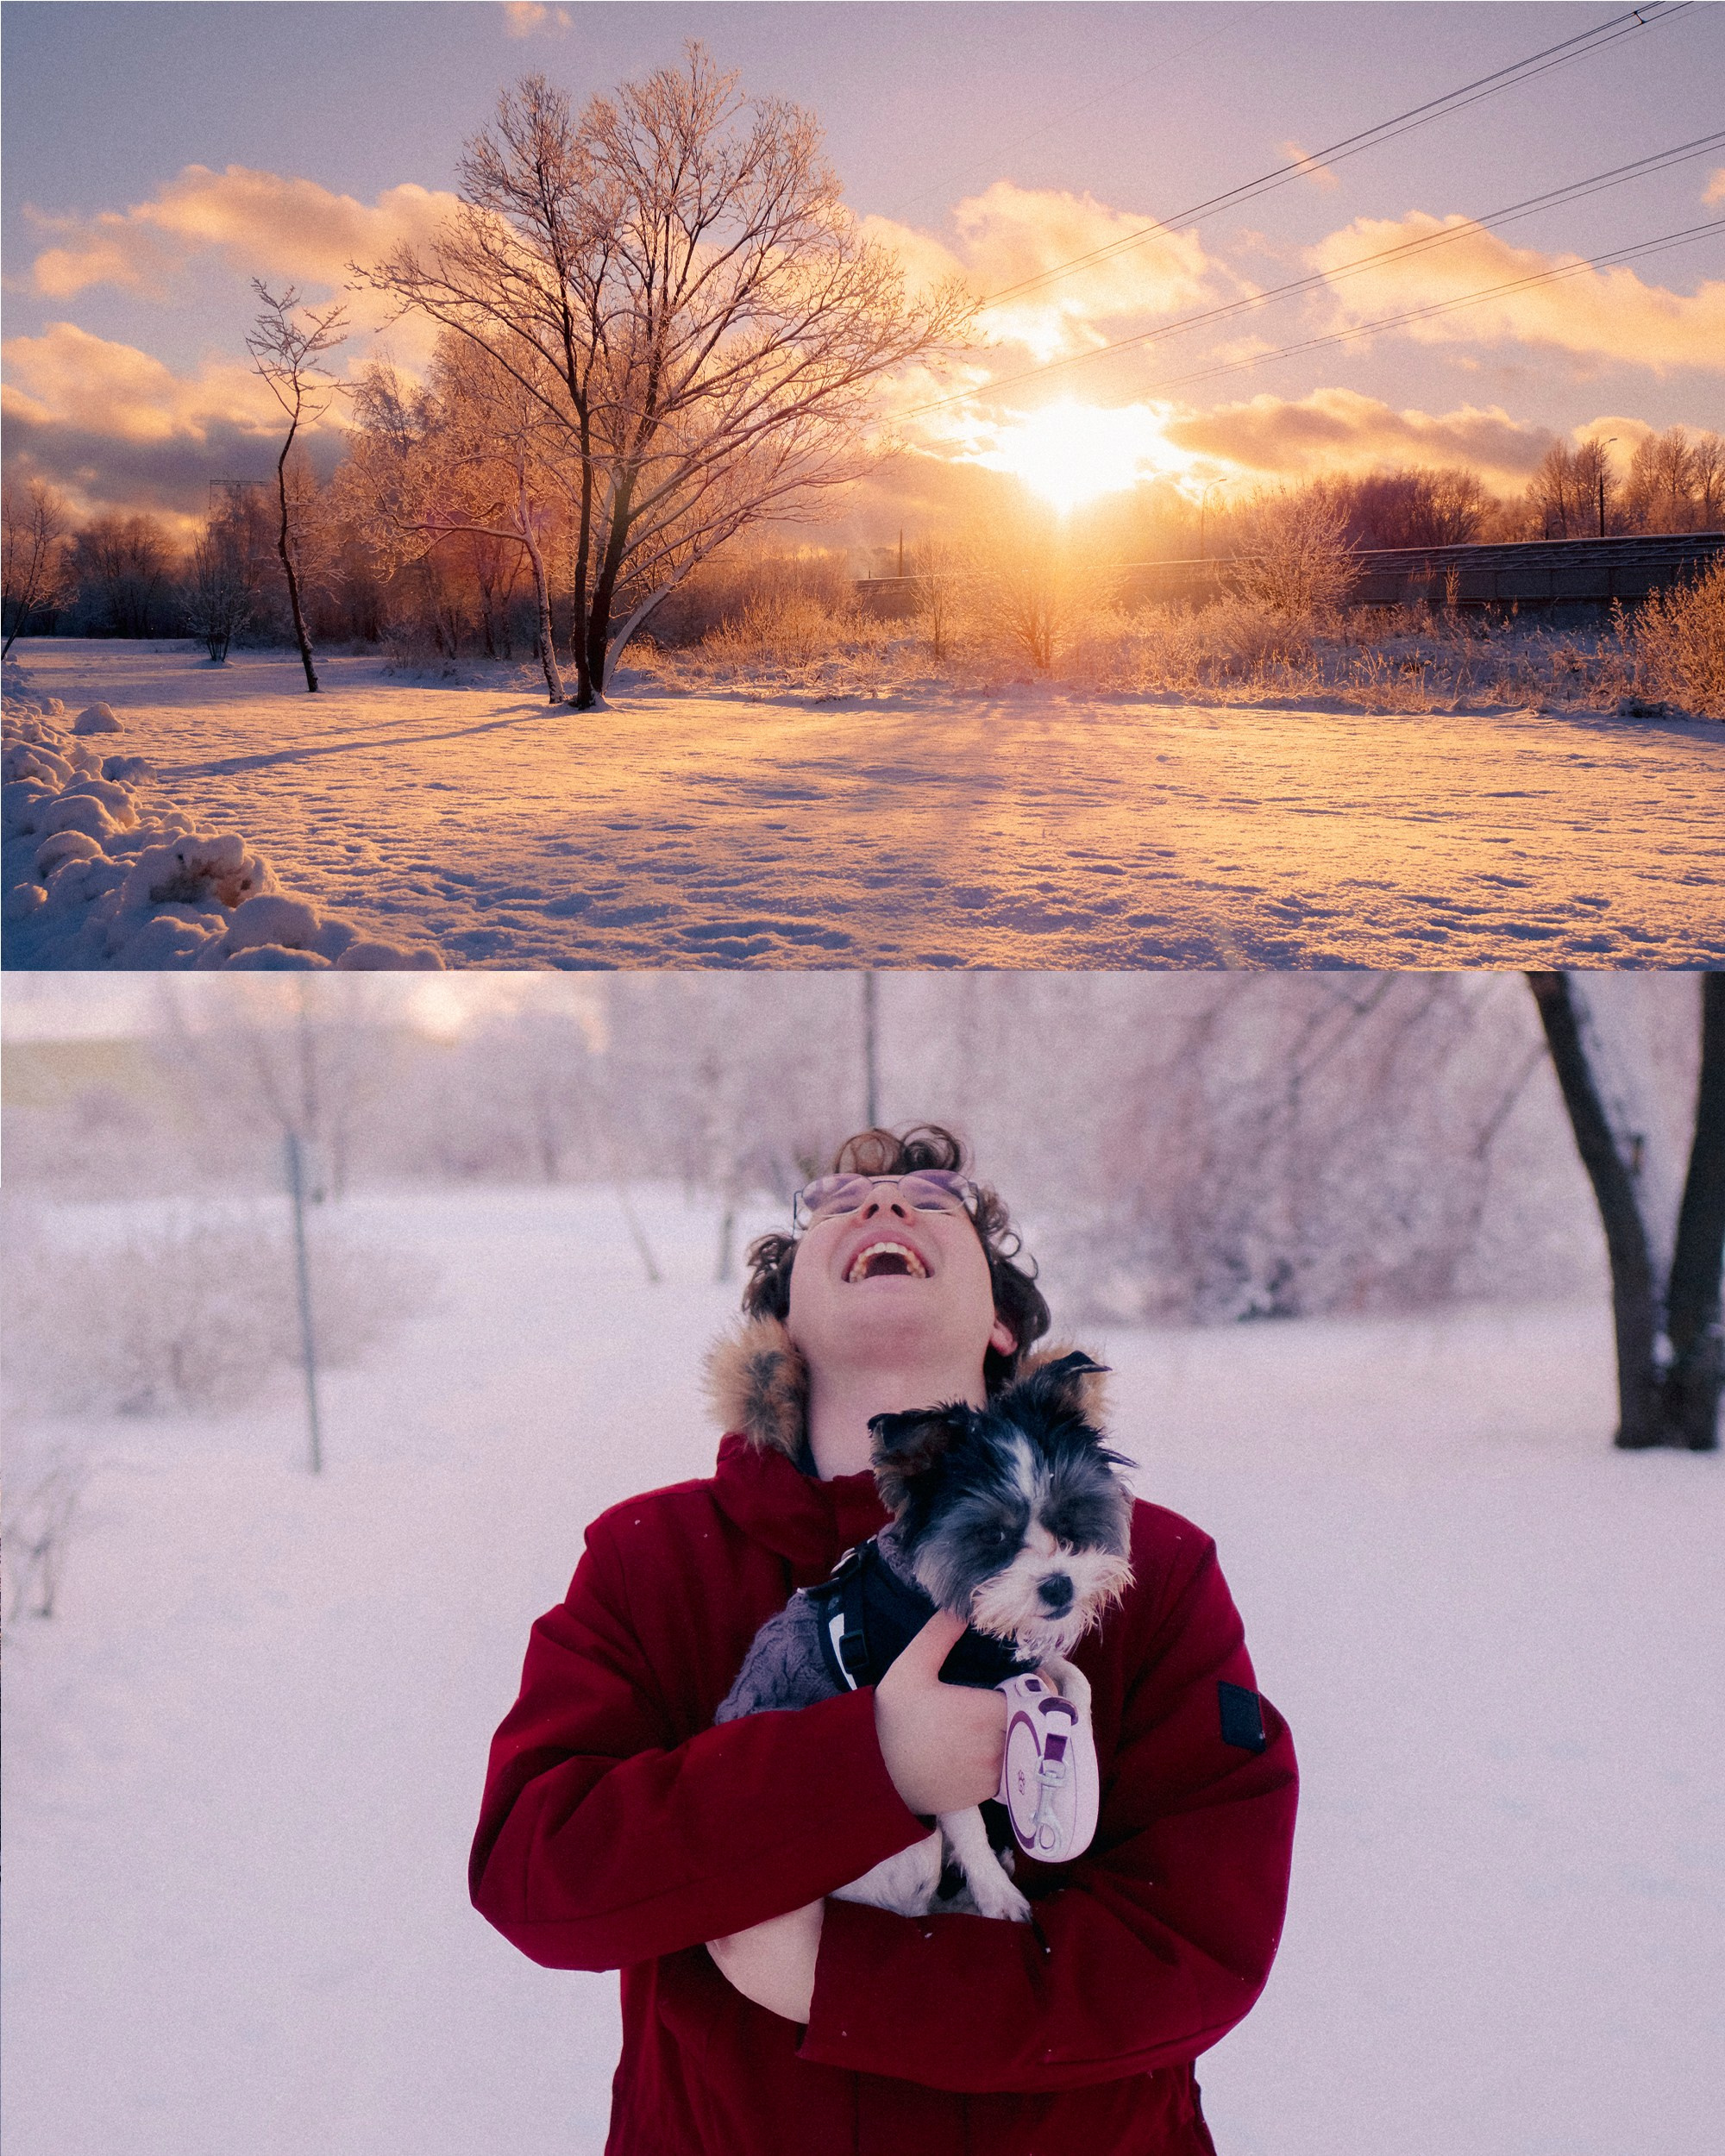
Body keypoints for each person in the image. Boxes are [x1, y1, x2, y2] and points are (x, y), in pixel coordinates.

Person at [470, 1125, 1298, 2156]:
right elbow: (538, 1872)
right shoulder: (653, 1561)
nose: (883, 1206)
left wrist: (840, 1983)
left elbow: (1194, 1945)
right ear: (784, 1326)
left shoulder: (1150, 1571)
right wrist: (870, 1763)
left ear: (1001, 1324)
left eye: (931, 1199)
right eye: (839, 1204)